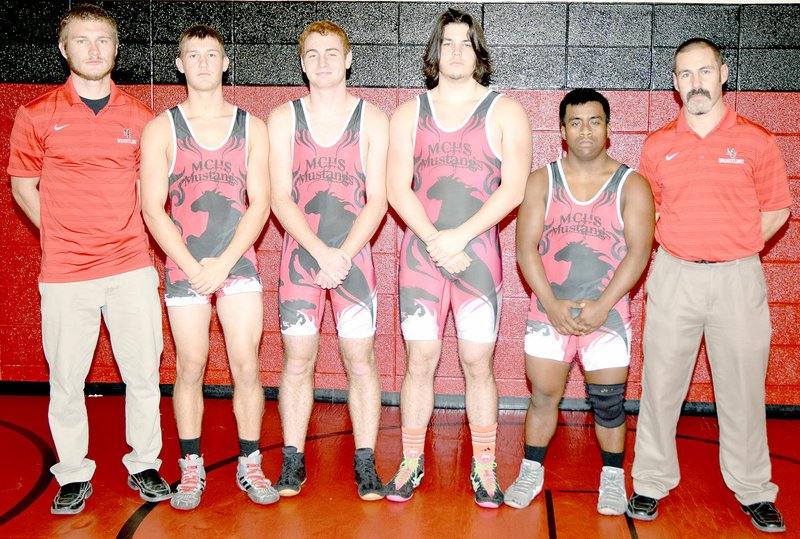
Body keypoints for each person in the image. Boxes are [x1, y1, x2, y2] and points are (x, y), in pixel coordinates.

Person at [7, 4, 170, 515]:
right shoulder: (35, 114)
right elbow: (22, 185)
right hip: (66, 273)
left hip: (129, 267)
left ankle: (144, 463)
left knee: (142, 375)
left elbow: (152, 194)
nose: (93, 50)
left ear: (117, 49)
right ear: (64, 49)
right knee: (66, 380)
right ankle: (73, 473)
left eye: (103, 40)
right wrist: (59, 234)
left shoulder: (142, 118)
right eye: (82, 40)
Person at [626, 38, 790, 534]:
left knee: (742, 391)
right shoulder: (657, 145)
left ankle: (754, 489)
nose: (695, 82)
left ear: (723, 73)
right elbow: (647, 212)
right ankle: (650, 482)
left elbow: (777, 209)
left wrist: (732, 246)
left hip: (738, 279)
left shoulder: (757, 140)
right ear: (675, 84)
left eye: (704, 71)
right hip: (674, 275)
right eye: (684, 74)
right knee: (660, 387)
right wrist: (684, 245)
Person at [385, 8, 532, 508]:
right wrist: (434, 240)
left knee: (477, 362)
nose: (455, 51)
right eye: (446, 43)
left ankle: (486, 465)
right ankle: (410, 460)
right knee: (420, 360)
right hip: (422, 257)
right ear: (434, 52)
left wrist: (459, 238)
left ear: (478, 52)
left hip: (477, 257)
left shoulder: (505, 111)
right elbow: (395, 188)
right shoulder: (409, 112)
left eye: (465, 43)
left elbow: (513, 189)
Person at [140, 24, 274, 510]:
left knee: (245, 366)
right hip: (186, 266)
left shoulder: (251, 126)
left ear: (226, 62)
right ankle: (191, 467)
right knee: (191, 366)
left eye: (211, 54)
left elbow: (260, 203)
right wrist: (194, 265)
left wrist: (224, 263)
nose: (202, 63)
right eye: (192, 55)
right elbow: (152, 207)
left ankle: (250, 463)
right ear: (179, 64)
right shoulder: (162, 128)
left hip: (237, 264)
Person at [506, 89, 654, 515]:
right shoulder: (541, 180)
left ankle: (612, 478)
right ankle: (531, 472)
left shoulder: (632, 184)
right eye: (575, 122)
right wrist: (551, 304)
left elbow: (638, 252)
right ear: (562, 131)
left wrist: (603, 305)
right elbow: (526, 249)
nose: (585, 130)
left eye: (594, 121)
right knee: (543, 398)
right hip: (548, 311)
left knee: (608, 403)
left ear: (608, 129)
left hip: (606, 314)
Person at [267, 20, 388, 501]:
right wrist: (320, 253)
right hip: (302, 258)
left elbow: (377, 200)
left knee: (361, 361)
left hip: (354, 259)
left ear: (349, 58)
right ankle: (292, 460)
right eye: (312, 54)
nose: (322, 62)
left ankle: (366, 461)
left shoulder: (373, 119)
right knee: (298, 361)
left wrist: (343, 256)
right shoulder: (283, 118)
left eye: (332, 53)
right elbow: (278, 197)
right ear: (301, 63)